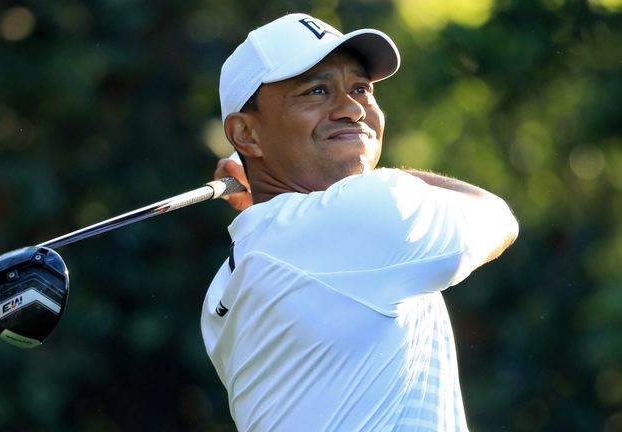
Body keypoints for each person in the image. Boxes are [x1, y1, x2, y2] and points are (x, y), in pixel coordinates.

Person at [201, 13, 519, 431]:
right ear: (246, 134)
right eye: (316, 91)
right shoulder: (366, 214)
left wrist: (271, 186)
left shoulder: (223, 289)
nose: (352, 109)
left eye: (361, 89)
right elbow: (498, 216)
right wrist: (377, 178)